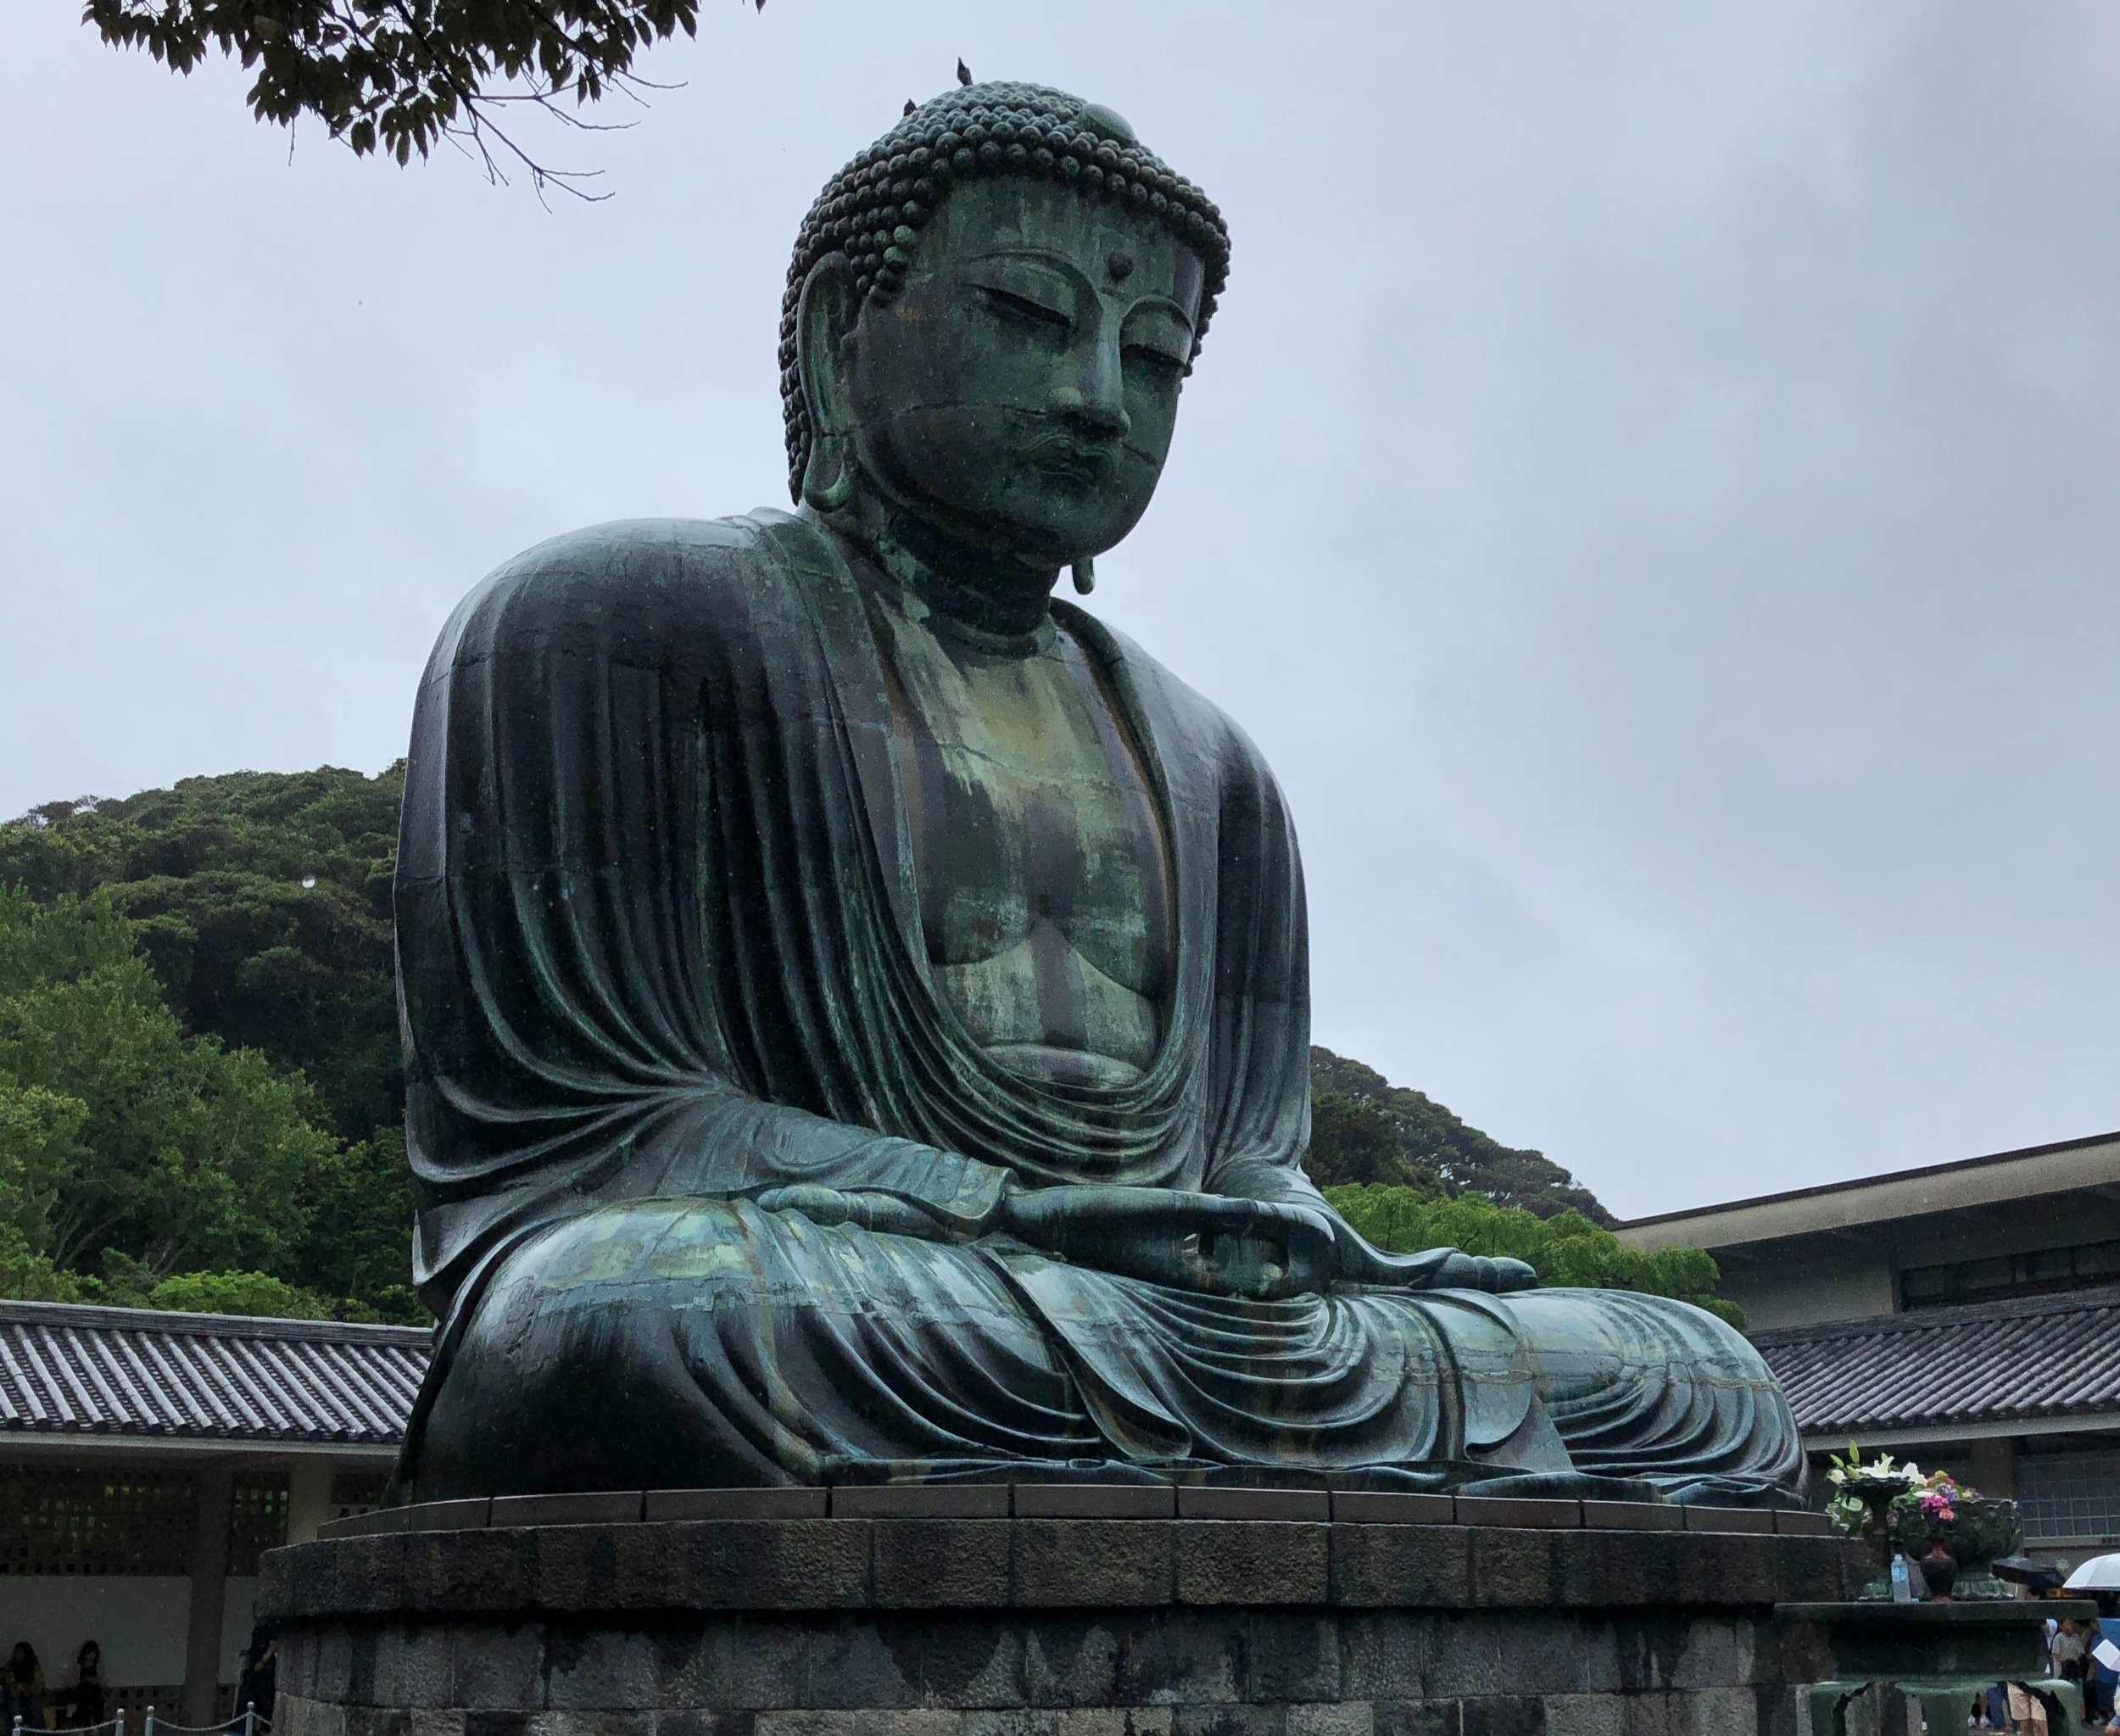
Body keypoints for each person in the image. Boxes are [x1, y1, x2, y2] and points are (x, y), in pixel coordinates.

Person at [388, 77, 1811, 1505]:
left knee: (1691, 1370)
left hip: (1134, 1319)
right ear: (838, 333)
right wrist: (1000, 1205)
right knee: (628, 1316)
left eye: (1156, 358)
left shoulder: (1217, 767)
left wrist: (1291, 1242)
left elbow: (1251, 1162)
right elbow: (602, 1134)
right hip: (853, 1285)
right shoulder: (612, 623)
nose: (1095, 399)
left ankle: (1232, 1435)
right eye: (1026, 316)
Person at [234, 1623, 276, 1731]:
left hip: (265, 1670)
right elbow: (255, 1647)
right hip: (253, 1667)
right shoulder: (258, 1628)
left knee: (264, 1699)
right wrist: (246, 1653)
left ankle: (263, 1728)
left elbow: (274, 1645)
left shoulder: (271, 1626)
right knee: (246, 1696)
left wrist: (263, 1661)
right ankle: (242, 1727)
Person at [57, 1644, 101, 1730]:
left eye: (93, 1653)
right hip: (80, 1690)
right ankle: (82, 1722)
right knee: (84, 1692)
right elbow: (73, 1681)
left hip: (94, 1691)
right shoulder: (78, 1665)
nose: (91, 1656)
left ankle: (94, 1722)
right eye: (89, 1653)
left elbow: (102, 1681)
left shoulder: (98, 1666)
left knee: (95, 1697)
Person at [4, 1643, 45, 1732]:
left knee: (37, 1704)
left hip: (31, 1694)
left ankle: (35, 1731)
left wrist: (27, 1688)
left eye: (21, 1653)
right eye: (17, 1653)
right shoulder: (11, 1666)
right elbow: (9, 1683)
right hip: (14, 1696)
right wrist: (17, 1687)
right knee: (15, 1704)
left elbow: (38, 1687)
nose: (18, 1655)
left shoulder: (34, 1667)